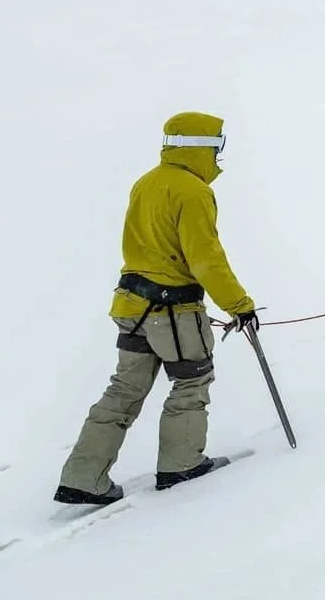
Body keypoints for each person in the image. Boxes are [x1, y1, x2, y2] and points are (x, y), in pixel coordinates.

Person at [53, 112, 258, 506]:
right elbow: (206, 260)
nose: (220, 155)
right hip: (174, 313)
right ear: (202, 147)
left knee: (124, 390)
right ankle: (181, 464)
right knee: (191, 382)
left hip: (131, 305)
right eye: (218, 146)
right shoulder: (193, 192)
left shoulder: (146, 182)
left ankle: (82, 477)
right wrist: (239, 306)